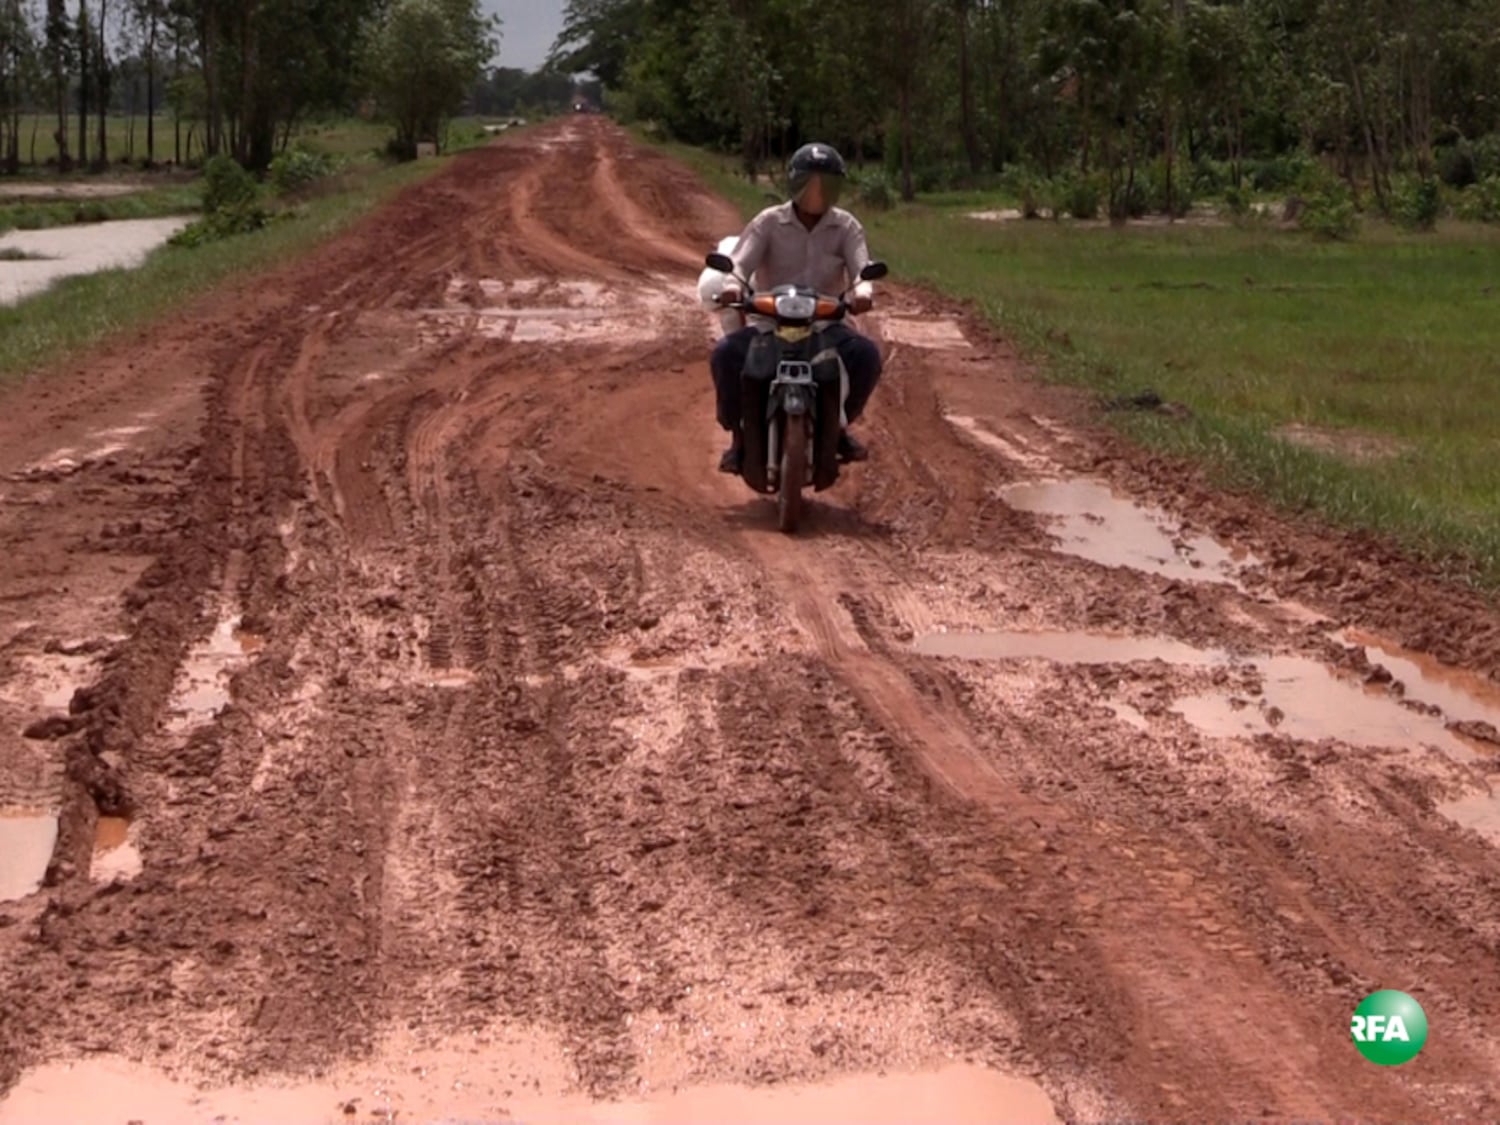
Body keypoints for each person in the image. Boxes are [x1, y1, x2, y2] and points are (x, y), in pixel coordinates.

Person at [707, 142, 883, 474]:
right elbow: (740, 264)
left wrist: (863, 291)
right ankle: (738, 435)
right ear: (794, 182)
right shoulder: (768, 222)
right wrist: (733, 286)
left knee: (866, 357)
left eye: (827, 184)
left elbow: (862, 270)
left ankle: (840, 427)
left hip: (824, 325)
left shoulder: (846, 226)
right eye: (810, 182)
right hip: (769, 322)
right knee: (726, 356)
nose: (817, 193)